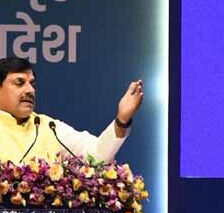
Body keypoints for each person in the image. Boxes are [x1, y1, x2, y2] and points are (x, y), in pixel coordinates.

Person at [0, 57, 144, 163]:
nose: (30, 90)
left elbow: (96, 156)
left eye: (32, 84)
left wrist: (122, 120)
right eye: (19, 83)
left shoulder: (48, 127)